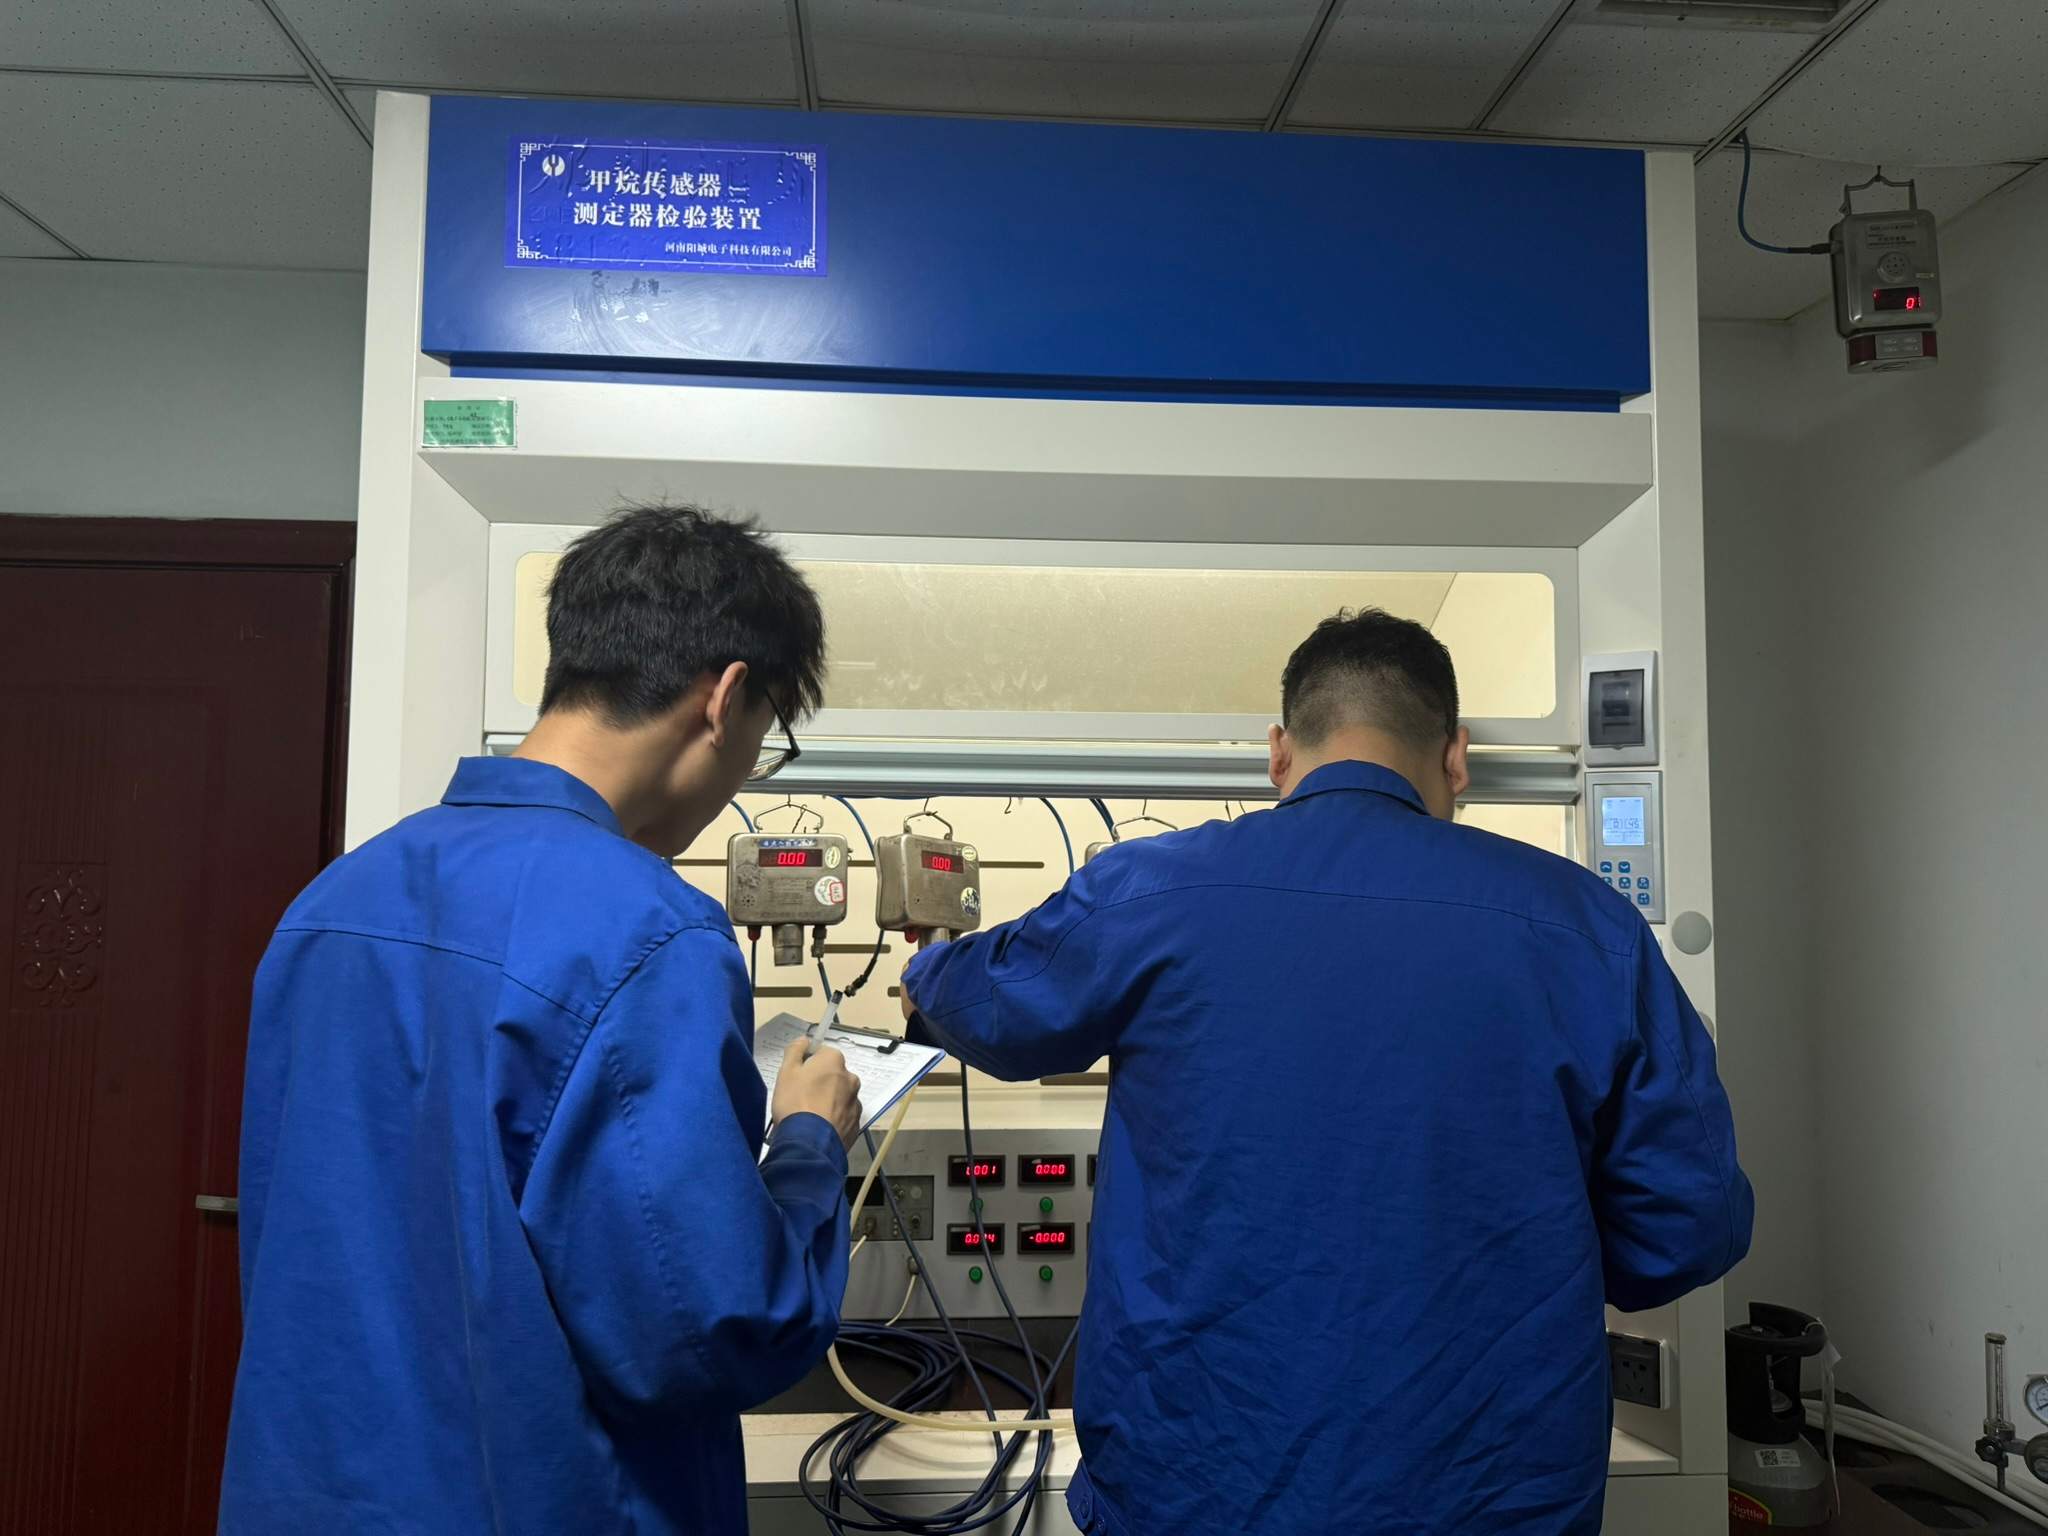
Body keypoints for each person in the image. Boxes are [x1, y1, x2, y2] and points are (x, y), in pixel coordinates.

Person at [900, 608, 1753, 1536]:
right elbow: (1690, 1224)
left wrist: (923, 976)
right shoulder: (1587, 927)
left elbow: (989, 1006)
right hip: (1490, 1495)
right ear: (1456, 757)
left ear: (1279, 752)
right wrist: (1529, 1272)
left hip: (1197, 1486)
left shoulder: (1153, 893)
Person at [222, 505, 863, 1536]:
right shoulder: (649, 932)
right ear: (724, 697)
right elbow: (711, 1333)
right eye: (764, 739)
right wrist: (807, 1145)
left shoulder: (334, 902)